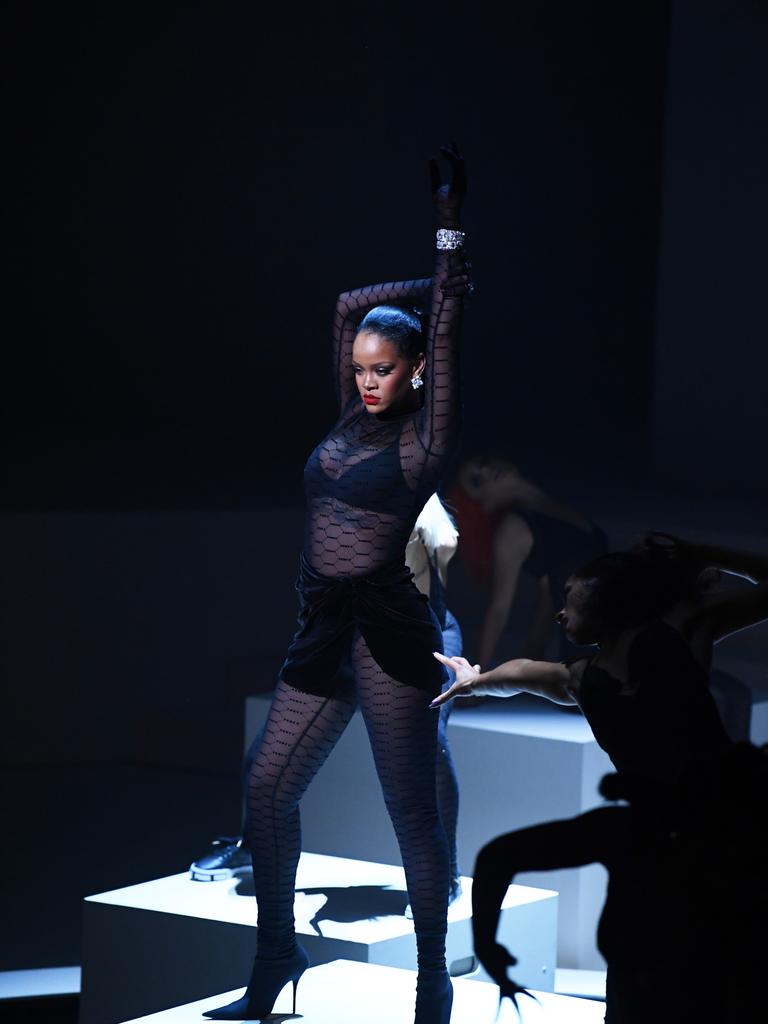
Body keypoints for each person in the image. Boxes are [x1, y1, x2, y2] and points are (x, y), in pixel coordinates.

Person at [204, 145, 470, 1024]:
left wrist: (448, 260)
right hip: (322, 624)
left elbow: (436, 339)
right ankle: (277, 959)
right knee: (268, 788)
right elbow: (350, 307)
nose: (365, 375)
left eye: (383, 367)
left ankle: (433, 983)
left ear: (418, 373)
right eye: (359, 366)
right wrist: (425, 296)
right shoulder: (349, 418)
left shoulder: (421, 441)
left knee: (410, 818)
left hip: (390, 633)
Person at [191, 493, 466, 909]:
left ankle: (443, 874)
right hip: (346, 642)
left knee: (431, 752)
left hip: (419, 639)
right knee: (267, 758)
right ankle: (253, 843)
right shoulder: (342, 506)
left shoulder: (422, 521)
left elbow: (422, 602)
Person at [432, 533, 768, 784]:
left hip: (727, 806)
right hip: (662, 823)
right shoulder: (582, 677)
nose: (560, 614)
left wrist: (702, 552)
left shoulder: (683, 630)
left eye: (570, 596)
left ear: (606, 594)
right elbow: (515, 673)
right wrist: (474, 683)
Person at [470, 745, 767, 1023]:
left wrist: (485, 942)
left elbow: (500, 856)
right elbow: (500, 857)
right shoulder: (638, 832)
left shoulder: (638, 833)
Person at [447, 455, 606, 670]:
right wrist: (477, 678)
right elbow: (498, 611)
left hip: (608, 641)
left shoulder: (551, 503)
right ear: (482, 506)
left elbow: (547, 600)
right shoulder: (512, 529)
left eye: (481, 462)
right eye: (476, 481)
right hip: (592, 657)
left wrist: (535, 662)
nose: (485, 470)